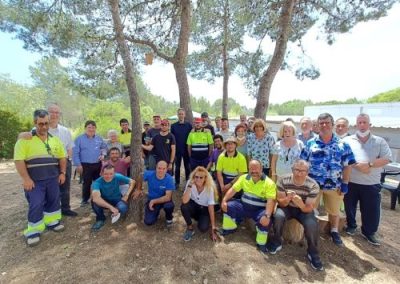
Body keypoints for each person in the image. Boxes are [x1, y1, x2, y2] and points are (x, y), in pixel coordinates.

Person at [300, 113, 356, 246]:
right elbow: (302, 162)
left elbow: (348, 166)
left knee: (334, 211)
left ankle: (334, 231)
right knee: (309, 208)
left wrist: (345, 184)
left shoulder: (343, 144)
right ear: (317, 126)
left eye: (327, 123)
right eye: (321, 123)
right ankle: (309, 230)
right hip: (313, 185)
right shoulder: (310, 143)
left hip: (334, 185)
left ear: (332, 125)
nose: (324, 125)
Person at [14, 109, 67, 246]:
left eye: (46, 123)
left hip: (53, 178)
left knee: (53, 200)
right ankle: (33, 230)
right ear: (35, 123)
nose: (44, 127)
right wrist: (26, 179)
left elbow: (62, 157)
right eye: (40, 124)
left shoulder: (55, 140)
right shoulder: (25, 140)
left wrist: (62, 173)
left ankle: (52, 221)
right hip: (34, 180)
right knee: (36, 203)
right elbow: (19, 160)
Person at [18, 103, 77, 217]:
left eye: (57, 112)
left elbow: (70, 147)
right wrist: (20, 135)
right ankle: (45, 211)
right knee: (47, 190)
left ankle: (65, 208)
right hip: (46, 166)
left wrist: (66, 160)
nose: (54, 114)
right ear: (47, 114)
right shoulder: (37, 128)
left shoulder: (65, 131)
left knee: (65, 188)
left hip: (63, 162)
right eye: (51, 112)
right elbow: (23, 138)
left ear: (59, 115)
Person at [343, 113, 392, 246]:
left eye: (365, 122)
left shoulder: (379, 141)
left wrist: (369, 164)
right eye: (359, 122)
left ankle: (369, 232)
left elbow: (386, 158)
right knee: (349, 206)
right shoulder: (348, 141)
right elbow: (343, 157)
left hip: (371, 183)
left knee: (371, 209)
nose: (362, 125)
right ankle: (351, 225)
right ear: (356, 125)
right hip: (351, 181)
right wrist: (357, 165)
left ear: (370, 124)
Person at [269, 160, 323, 271]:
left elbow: (308, 208)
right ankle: (276, 241)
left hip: (303, 210)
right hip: (287, 207)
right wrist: (288, 198)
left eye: (302, 171)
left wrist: (301, 204)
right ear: (292, 170)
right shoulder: (283, 180)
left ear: (307, 172)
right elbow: (281, 202)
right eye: (296, 170)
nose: (299, 173)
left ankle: (313, 252)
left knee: (312, 224)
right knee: (278, 216)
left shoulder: (313, 185)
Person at [220, 160, 276, 253]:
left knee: (266, 220)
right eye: (251, 169)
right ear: (248, 169)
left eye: (256, 169)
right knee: (229, 205)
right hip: (243, 206)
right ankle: (229, 228)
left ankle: (261, 243)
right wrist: (224, 200)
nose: (254, 171)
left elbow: (271, 201)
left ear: (261, 169)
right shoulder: (243, 178)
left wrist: (267, 215)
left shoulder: (269, 183)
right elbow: (233, 190)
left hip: (259, 210)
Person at [91, 164, 138, 231]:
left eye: (111, 174)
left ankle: (116, 210)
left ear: (114, 173)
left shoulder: (117, 176)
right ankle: (100, 219)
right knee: (94, 202)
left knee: (123, 208)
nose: (108, 176)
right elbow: (96, 198)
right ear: (101, 173)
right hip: (105, 200)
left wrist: (126, 195)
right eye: (106, 174)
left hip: (117, 200)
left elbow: (132, 182)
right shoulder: (97, 182)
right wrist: (111, 207)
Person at [73, 120, 107, 205]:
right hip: (85, 165)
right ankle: (85, 199)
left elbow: (104, 148)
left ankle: (98, 198)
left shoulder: (99, 138)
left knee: (98, 182)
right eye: (89, 127)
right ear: (85, 128)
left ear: (95, 128)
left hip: (97, 164)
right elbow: (75, 152)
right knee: (86, 182)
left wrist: (103, 154)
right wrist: (78, 164)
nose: (91, 129)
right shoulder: (79, 139)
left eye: (93, 127)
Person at [181, 166, 218, 241]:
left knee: (203, 229)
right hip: (194, 205)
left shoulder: (209, 187)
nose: (198, 179)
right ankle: (190, 228)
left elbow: (211, 207)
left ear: (205, 178)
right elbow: (184, 201)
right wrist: (190, 186)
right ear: (193, 177)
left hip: (204, 208)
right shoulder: (190, 183)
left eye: (201, 177)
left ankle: (206, 221)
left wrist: (213, 227)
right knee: (184, 207)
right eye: (196, 177)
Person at [143, 161, 176, 226]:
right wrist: (138, 189)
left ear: (167, 169)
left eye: (164, 169)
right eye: (159, 168)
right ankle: (156, 213)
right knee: (148, 222)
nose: (161, 170)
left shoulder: (169, 179)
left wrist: (153, 201)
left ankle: (169, 218)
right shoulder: (149, 174)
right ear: (156, 168)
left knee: (169, 206)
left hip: (164, 200)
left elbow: (167, 197)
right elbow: (139, 177)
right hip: (152, 198)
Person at [171, 108, 192, 188]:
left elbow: (191, 137)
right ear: (177, 115)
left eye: (182, 114)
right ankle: (177, 182)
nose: (181, 115)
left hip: (186, 150)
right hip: (177, 150)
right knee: (177, 168)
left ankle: (187, 182)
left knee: (187, 167)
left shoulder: (189, 125)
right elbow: (172, 139)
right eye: (179, 114)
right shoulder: (173, 126)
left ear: (184, 115)